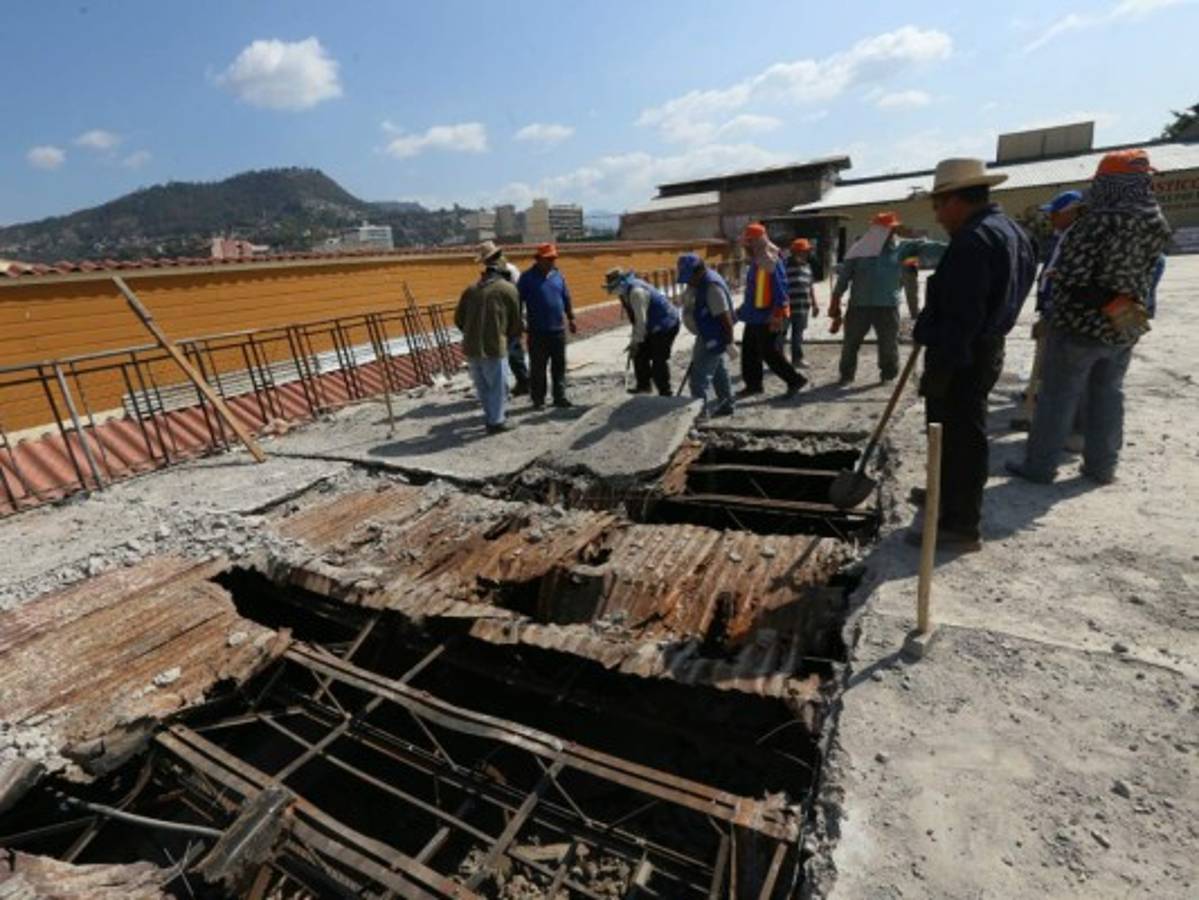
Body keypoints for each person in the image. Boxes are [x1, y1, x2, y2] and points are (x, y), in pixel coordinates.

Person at [1007, 149, 1171, 486]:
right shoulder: (1156, 222)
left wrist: (1055, 298)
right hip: (1125, 322)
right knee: (1108, 394)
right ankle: (1101, 467)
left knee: (1057, 396)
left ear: (1108, 183)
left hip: (1080, 324)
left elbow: (1073, 274)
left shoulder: (1097, 221)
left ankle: (1040, 467)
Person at [909, 158, 1036, 551]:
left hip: (961, 353)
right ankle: (945, 496)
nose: (937, 215)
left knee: (959, 436)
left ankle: (959, 523)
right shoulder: (1013, 231)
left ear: (956, 200)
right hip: (985, 347)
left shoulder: (973, 241)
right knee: (956, 435)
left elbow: (963, 313)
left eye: (938, 205)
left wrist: (942, 363)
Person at [830, 212, 946, 384]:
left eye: (892, 229)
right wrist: (835, 302)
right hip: (858, 306)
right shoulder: (859, 249)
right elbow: (844, 277)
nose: (891, 232)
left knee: (888, 344)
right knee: (850, 343)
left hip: (888, 306)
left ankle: (888, 374)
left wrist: (957, 246)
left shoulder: (902, 248)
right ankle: (846, 375)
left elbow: (926, 246)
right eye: (887, 229)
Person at [455, 248, 522, 434]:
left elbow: (459, 320)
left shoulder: (470, 290)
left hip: (471, 347)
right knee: (498, 387)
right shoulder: (508, 289)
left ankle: (491, 417)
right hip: (494, 346)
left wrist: (471, 333)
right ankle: (497, 422)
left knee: (483, 387)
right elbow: (516, 321)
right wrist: (506, 337)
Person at [737, 223, 806, 399]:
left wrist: (777, 315)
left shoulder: (772, 261)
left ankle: (795, 380)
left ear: (757, 243)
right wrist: (740, 312)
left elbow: (781, 289)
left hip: (768, 316)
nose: (745, 247)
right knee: (749, 351)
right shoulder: (756, 261)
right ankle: (753, 385)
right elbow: (753, 292)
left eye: (748, 243)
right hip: (753, 315)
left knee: (770, 352)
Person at [517, 243, 577, 409]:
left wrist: (571, 318)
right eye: (548, 259)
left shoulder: (558, 276)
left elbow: (566, 298)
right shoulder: (526, 278)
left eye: (553, 258)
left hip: (557, 329)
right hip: (537, 331)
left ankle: (559, 396)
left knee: (559, 366)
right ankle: (538, 399)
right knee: (538, 368)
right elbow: (517, 301)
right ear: (538, 259)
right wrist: (519, 321)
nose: (552, 261)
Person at [604, 267, 680, 396]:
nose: (612, 291)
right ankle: (644, 386)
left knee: (658, 359)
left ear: (621, 283)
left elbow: (641, 321)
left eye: (613, 287)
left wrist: (636, 341)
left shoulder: (636, 292)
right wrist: (635, 341)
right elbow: (635, 320)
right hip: (651, 324)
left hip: (666, 325)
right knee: (639, 354)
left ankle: (665, 392)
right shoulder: (624, 293)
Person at [677, 253, 736, 417]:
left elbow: (725, 318)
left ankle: (699, 416)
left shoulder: (711, 287)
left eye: (689, 277)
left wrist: (730, 342)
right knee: (719, 371)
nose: (688, 282)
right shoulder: (700, 282)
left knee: (698, 380)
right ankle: (727, 404)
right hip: (708, 334)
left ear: (698, 271)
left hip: (713, 337)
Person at [478, 240, 530, 396]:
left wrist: (521, 317)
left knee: (512, 352)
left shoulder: (510, 270)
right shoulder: (490, 273)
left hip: (511, 317)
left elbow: (519, 296)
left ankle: (521, 382)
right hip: (498, 318)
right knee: (509, 352)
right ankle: (519, 382)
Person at [784, 239, 820, 367]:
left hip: (802, 307)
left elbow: (810, 287)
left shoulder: (807, 267)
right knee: (781, 335)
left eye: (806, 251)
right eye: (803, 251)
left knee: (798, 335)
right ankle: (780, 359)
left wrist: (815, 304)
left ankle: (797, 359)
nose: (805, 254)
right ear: (794, 252)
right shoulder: (784, 265)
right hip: (786, 308)